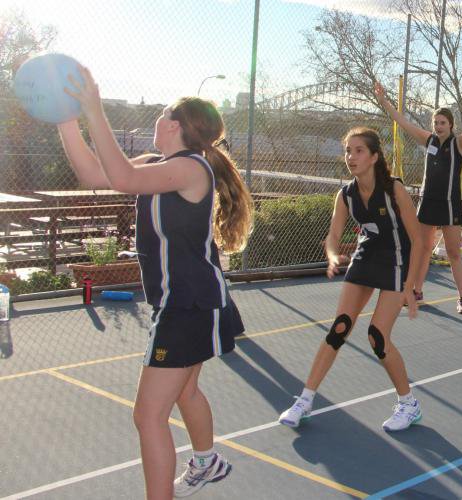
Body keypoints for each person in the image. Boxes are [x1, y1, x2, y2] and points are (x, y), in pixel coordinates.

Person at [58, 66, 253, 499]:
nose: (156, 121)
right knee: (185, 391)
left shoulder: (190, 168)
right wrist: (66, 119)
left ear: (176, 126)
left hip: (190, 305)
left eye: (163, 115)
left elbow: (124, 179)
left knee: (148, 416)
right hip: (192, 303)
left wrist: (93, 108)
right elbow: (97, 174)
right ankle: (207, 462)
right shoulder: (160, 165)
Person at [278, 127, 424, 431]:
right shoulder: (345, 195)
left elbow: (419, 241)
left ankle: (409, 404)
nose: (351, 156)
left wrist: (411, 287)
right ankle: (304, 400)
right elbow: (332, 236)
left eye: (358, 150)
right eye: (348, 150)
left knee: (377, 337)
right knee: (339, 328)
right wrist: (332, 256)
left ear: (373, 157)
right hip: (366, 256)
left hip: (396, 259)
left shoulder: (394, 190)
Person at [374, 81, 462, 314]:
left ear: (451, 125)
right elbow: (403, 123)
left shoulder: (459, 143)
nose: (438, 126)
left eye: (442, 123)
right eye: (435, 123)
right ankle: (417, 292)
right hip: (428, 202)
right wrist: (385, 102)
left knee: (454, 253)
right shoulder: (428, 141)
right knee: (423, 248)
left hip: (449, 204)